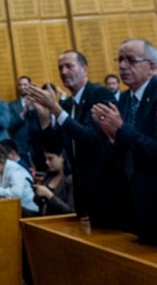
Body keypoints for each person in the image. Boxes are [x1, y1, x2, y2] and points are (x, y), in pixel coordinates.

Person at [91, 39, 157, 248]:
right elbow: (124, 148)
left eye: (130, 60)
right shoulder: (123, 98)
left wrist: (121, 129)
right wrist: (112, 137)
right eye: (120, 60)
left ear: (151, 67)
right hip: (134, 200)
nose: (122, 66)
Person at [21, 49, 112, 223]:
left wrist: (56, 108)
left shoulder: (100, 94)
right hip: (80, 188)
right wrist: (44, 117)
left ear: (85, 69)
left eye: (69, 66)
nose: (63, 72)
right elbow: (56, 143)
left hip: (102, 185)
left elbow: (90, 137)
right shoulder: (69, 103)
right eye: (60, 68)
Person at [0, 142, 37, 214]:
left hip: (27, 210)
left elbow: (16, 192)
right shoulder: (0, 171)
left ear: (0, 158)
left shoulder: (15, 170)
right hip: (13, 208)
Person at [33, 148, 73, 216]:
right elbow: (37, 202)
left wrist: (49, 195)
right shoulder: (48, 176)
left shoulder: (70, 180)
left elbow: (70, 211)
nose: (47, 162)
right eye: (46, 159)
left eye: (50, 159)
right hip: (42, 218)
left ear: (62, 157)